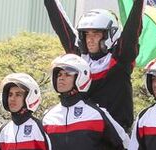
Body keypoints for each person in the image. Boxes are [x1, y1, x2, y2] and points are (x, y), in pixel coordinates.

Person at [42, 1, 145, 131]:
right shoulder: (79, 60)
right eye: (86, 34)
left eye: (96, 34)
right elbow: (60, 24)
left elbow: (134, 26)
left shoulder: (120, 58)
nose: (90, 39)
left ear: (110, 35)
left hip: (117, 141)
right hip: (87, 137)